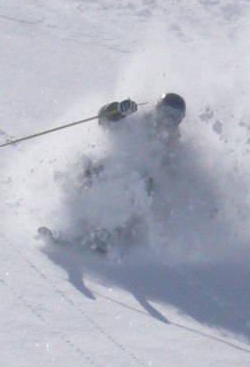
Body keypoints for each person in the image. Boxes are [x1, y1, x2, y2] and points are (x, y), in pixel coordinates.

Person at [76, 93, 187, 253]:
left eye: (175, 116)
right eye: (166, 112)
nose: (169, 119)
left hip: (136, 190)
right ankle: (80, 222)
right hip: (111, 172)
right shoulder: (139, 122)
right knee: (93, 168)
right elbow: (104, 119)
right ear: (157, 109)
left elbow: (176, 179)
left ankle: (115, 234)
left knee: (143, 187)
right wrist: (119, 110)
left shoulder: (174, 148)